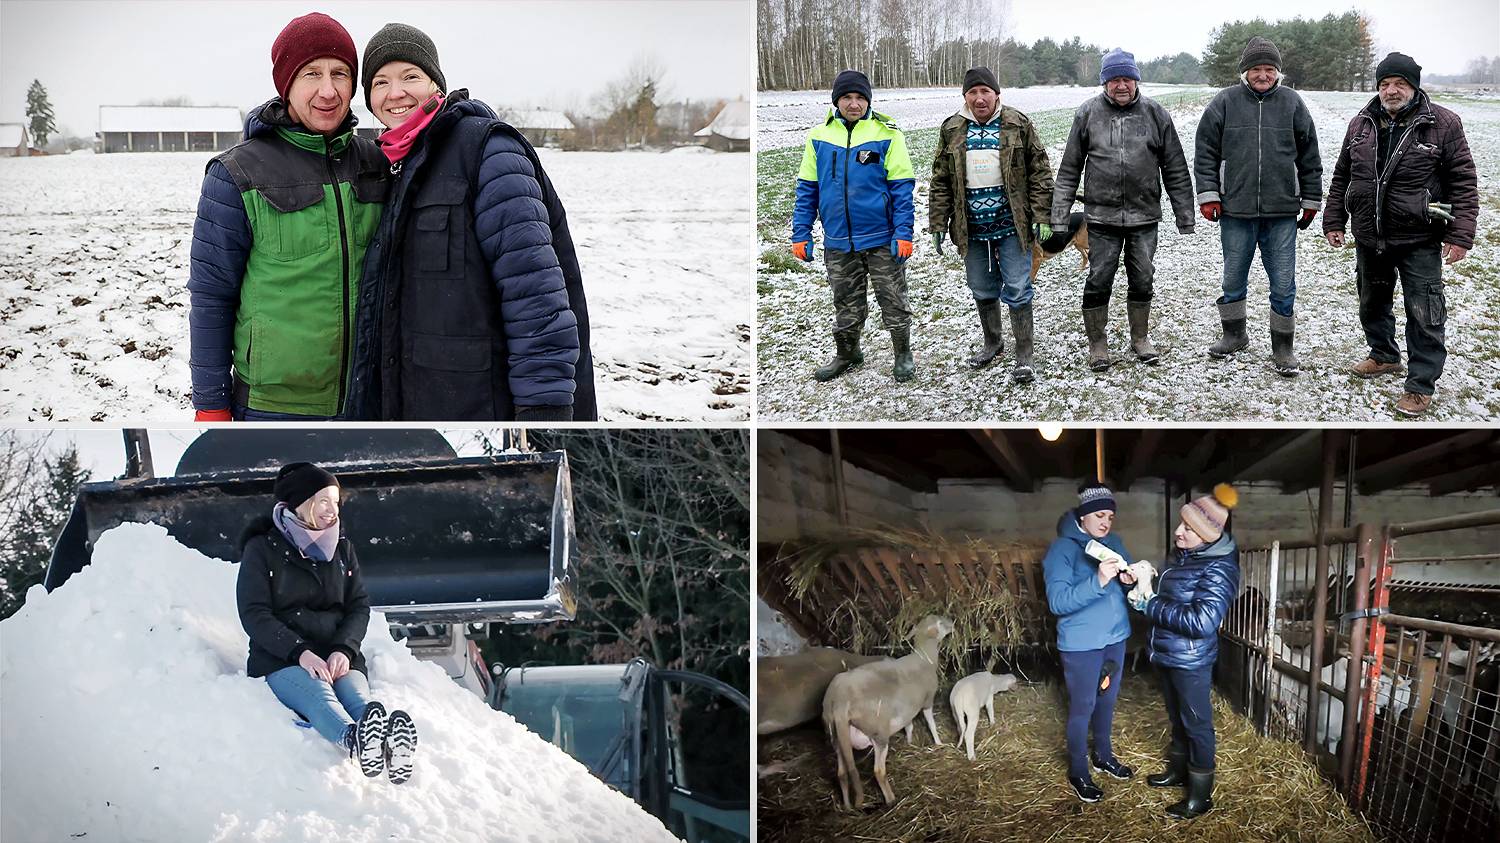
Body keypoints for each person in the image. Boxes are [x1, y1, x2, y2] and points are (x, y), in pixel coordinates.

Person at [343, 23, 586, 421]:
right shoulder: (388, 166)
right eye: (380, 82)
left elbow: (534, 296)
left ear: (436, 84)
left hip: (481, 405)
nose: (395, 93)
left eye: (410, 76)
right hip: (417, 403)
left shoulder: (488, 152)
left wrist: (544, 410)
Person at [188, 13, 389, 421]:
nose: (328, 91)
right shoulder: (237, 174)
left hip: (370, 398)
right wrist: (210, 405)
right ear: (287, 84)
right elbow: (211, 297)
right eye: (311, 74)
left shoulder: (379, 163)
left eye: (341, 73)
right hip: (274, 407)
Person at [236, 461, 419, 784]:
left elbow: (358, 607)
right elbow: (254, 613)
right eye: (323, 501)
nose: (332, 510)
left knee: (358, 699)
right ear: (302, 502)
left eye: (335, 502)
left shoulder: (343, 550)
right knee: (321, 696)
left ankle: (388, 743)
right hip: (282, 659)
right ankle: (354, 740)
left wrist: (344, 650)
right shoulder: (262, 548)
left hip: (337, 655)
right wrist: (300, 652)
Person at [1323, 52, 1478, 417]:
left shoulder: (1443, 124)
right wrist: (1334, 221)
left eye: (1399, 84)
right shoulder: (1360, 123)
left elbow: (1464, 183)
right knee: (1371, 302)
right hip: (1369, 234)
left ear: (1413, 87)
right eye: (1385, 84)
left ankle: (1420, 384)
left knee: (1424, 312)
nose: (1391, 91)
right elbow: (1342, 176)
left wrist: (1460, 234)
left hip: (1419, 238)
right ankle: (1384, 355)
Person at [1052, 48, 1195, 371]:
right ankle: (1097, 344)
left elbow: (1175, 168)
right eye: (1114, 79)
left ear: (1136, 80)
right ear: (1104, 82)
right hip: (1100, 219)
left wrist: (1184, 215)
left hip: (1144, 218)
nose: (1121, 85)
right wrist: (1060, 216)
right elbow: (1069, 169)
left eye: (1126, 78)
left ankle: (1140, 338)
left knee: (1143, 278)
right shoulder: (1087, 114)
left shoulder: (1156, 115)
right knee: (1099, 278)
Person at [1194, 37, 1322, 375]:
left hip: (1282, 213)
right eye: (1256, 69)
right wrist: (1209, 195)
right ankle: (1234, 336)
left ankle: (1283, 349)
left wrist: (1309, 199)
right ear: (1245, 72)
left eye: (1269, 69)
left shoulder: (1293, 103)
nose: (1262, 75)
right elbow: (1205, 151)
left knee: (1283, 281)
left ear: (1277, 72)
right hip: (1235, 210)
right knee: (1233, 277)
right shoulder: (1224, 102)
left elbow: (1310, 157)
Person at [929, 66, 1055, 384]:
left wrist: (1041, 216)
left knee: (1018, 286)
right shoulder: (952, 128)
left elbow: (1040, 172)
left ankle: (1024, 353)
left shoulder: (1018, 123)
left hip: (1012, 225)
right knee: (982, 288)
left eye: (985, 91)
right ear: (965, 97)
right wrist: (938, 221)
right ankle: (992, 342)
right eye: (973, 92)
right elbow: (941, 179)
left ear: (997, 94)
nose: (979, 98)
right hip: (972, 229)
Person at [791, 69, 917, 383]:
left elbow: (902, 188)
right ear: (837, 101)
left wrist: (903, 232)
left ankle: (902, 353)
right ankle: (848, 352)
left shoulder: (888, 134)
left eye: (860, 97)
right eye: (847, 97)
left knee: (893, 299)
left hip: (881, 239)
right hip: (838, 240)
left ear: (868, 101)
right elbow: (807, 188)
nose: (854, 103)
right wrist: (801, 233)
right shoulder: (818, 137)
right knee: (846, 301)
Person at [1131, 484, 1240, 819]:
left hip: (1190, 660)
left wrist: (1152, 605)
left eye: (1189, 529)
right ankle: (1178, 772)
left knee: (1197, 725)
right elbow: (1171, 603)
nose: (1178, 531)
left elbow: (1203, 621)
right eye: (1181, 524)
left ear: (1207, 535)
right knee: (1177, 718)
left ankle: (1201, 796)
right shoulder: (1184, 558)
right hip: (1167, 654)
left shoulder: (1219, 568)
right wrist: (1137, 588)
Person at [1042, 482, 1138, 803]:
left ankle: (1104, 756)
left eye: (1110, 516)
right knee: (1084, 706)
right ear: (1082, 517)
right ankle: (1078, 770)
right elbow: (1057, 601)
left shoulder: (1116, 543)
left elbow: (1125, 588)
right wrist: (1097, 580)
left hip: (1116, 638)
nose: (1106, 522)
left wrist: (1128, 582)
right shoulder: (1062, 550)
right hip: (1082, 644)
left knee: (1108, 702)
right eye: (1099, 515)